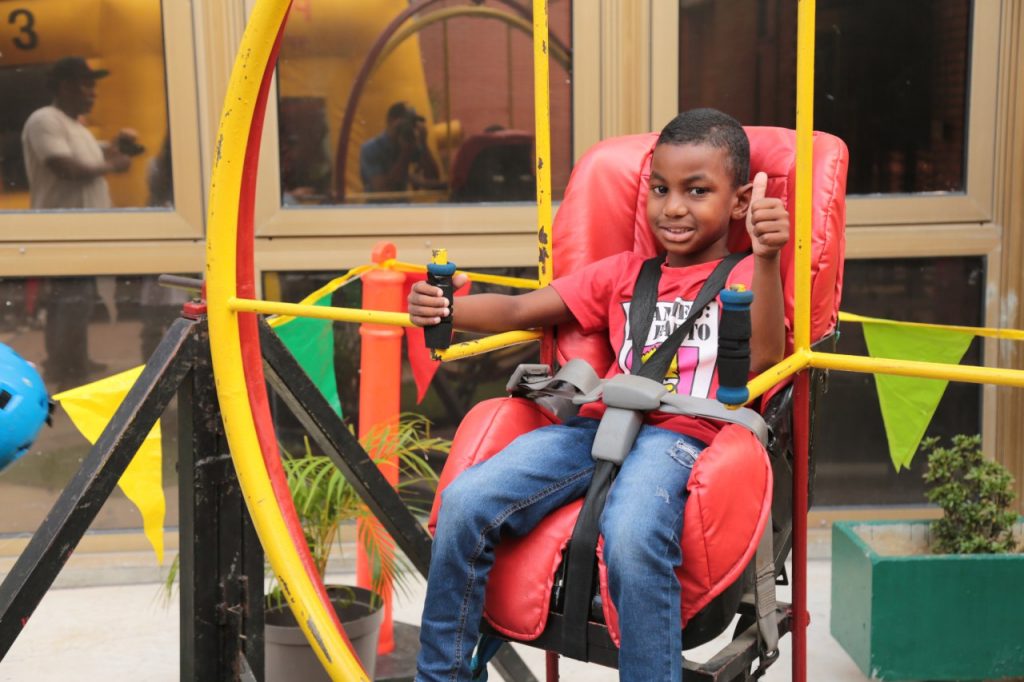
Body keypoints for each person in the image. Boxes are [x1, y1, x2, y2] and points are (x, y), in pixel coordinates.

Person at [407, 108, 790, 682]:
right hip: (597, 428)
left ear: (738, 202)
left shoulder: (742, 280)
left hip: (682, 440)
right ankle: (442, 675)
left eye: (697, 191)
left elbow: (763, 358)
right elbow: (518, 309)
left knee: (633, 531)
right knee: (466, 501)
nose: (674, 207)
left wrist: (765, 258)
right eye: (660, 189)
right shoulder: (624, 274)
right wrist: (447, 310)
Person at [21, 56, 139, 389]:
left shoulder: (77, 126)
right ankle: (63, 370)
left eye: (93, 85)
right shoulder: (45, 119)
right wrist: (113, 165)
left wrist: (117, 148)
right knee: (65, 301)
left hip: (83, 228)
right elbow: (65, 167)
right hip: (62, 228)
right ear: (63, 86)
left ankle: (76, 360)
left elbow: (95, 157)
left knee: (80, 301)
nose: (92, 92)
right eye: (85, 84)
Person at [359, 101, 443, 193]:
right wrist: (405, 153)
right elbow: (381, 189)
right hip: (378, 206)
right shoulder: (371, 149)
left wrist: (424, 144)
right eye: (404, 123)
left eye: (412, 124)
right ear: (391, 121)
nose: (407, 128)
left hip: (403, 205)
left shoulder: (409, 144)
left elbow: (434, 178)